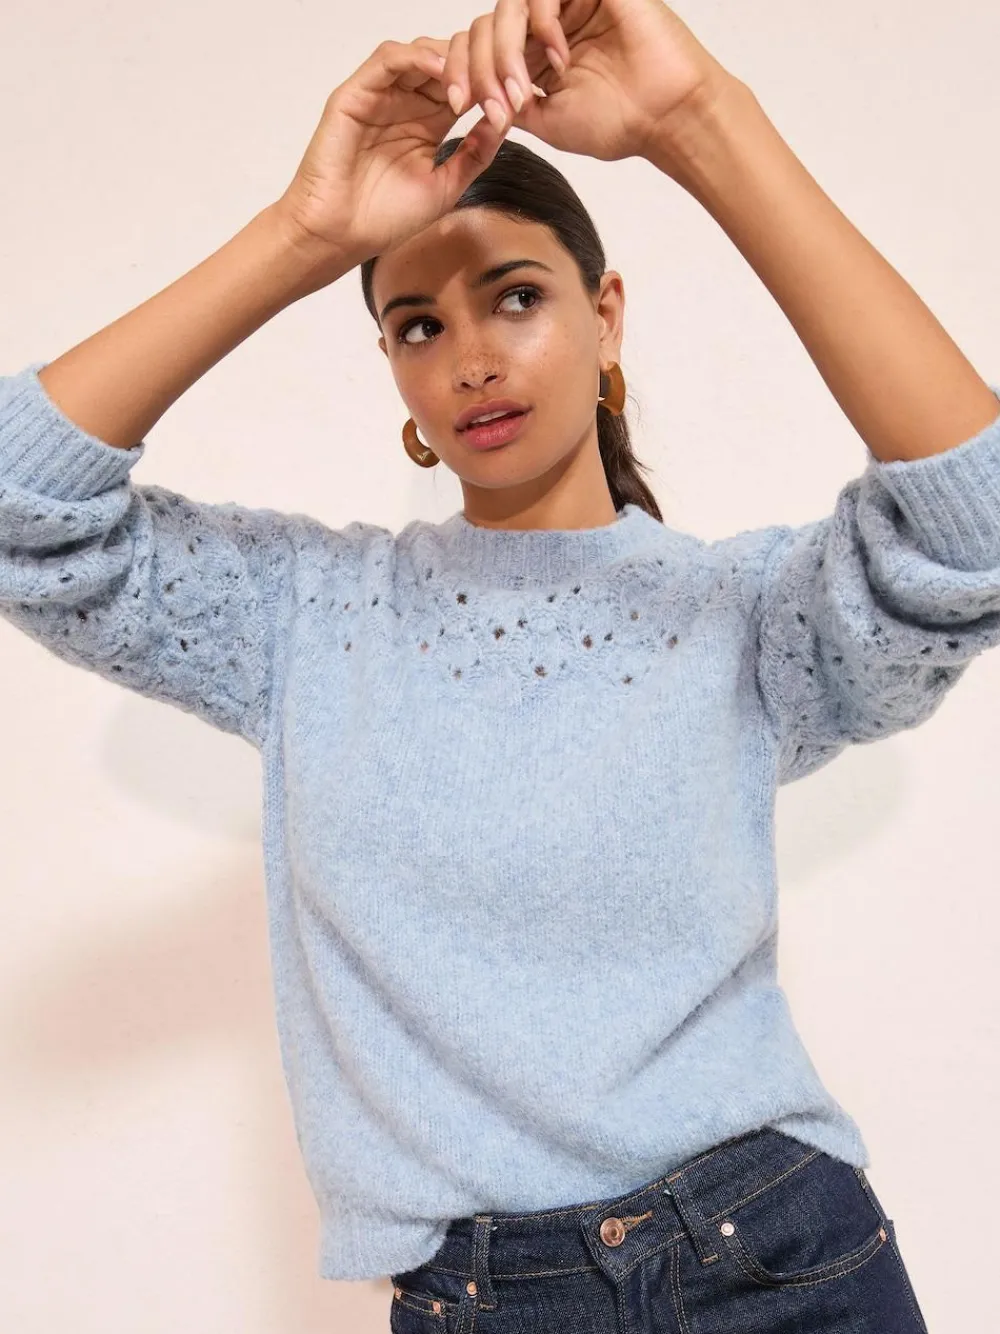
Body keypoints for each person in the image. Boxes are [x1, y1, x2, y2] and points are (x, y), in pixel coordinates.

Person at [2, 1, 996, 1328]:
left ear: (606, 315)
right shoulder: (306, 614)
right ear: (392, 370)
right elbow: (20, 508)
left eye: (516, 297)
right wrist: (304, 234)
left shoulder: (743, 616)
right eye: (417, 325)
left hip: (778, 1256)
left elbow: (976, 522)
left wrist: (698, 119)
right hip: (487, 1299)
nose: (471, 358)